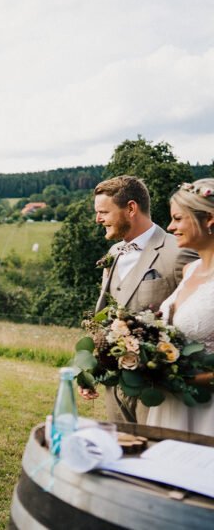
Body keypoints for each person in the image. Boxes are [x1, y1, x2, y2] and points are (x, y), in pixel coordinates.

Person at [84, 176, 197, 424]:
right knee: (122, 454)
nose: (98, 219)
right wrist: (93, 369)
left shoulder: (178, 250)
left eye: (104, 212)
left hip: (158, 392)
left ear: (131, 208)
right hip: (115, 386)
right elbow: (108, 314)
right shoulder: (114, 253)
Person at [146, 179, 214, 435]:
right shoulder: (190, 270)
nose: (170, 226)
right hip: (170, 408)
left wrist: (184, 381)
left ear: (208, 218)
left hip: (206, 413)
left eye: (177, 218)